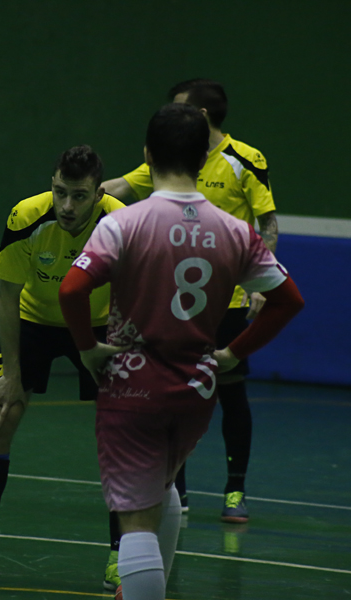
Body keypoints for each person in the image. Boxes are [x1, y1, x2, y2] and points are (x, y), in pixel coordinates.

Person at [59, 102, 304, 600]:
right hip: (197, 384)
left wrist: (87, 349)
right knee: (164, 483)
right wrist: (233, 354)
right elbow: (287, 300)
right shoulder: (236, 231)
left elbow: (70, 291)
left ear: (147, 155)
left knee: (135, 521)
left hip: (133, 383)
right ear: (202, 157)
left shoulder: (124, 223)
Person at [0, 146, 128, 590]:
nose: (67, 206)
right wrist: (12, 374)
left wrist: (114, 350)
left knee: (125, 435)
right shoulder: (26, 217)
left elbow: (132, 294)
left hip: (101, 327)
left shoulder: (120, 223)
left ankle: (122, 556)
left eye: (79, 196)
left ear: (98, 193)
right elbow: (7, 296)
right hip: (34, 321)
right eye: (60, 192)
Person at [103, 79, 278, 522]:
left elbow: (267, 222)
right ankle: (173, 495)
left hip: (229, 297)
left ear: (200, 116)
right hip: (175, 301)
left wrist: (259, 284)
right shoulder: (171, 156)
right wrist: (67, 195)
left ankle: (235, 490)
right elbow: (118, 188)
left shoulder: (245, 159)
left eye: (178, 107)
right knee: (170, 392)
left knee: (232, 392)